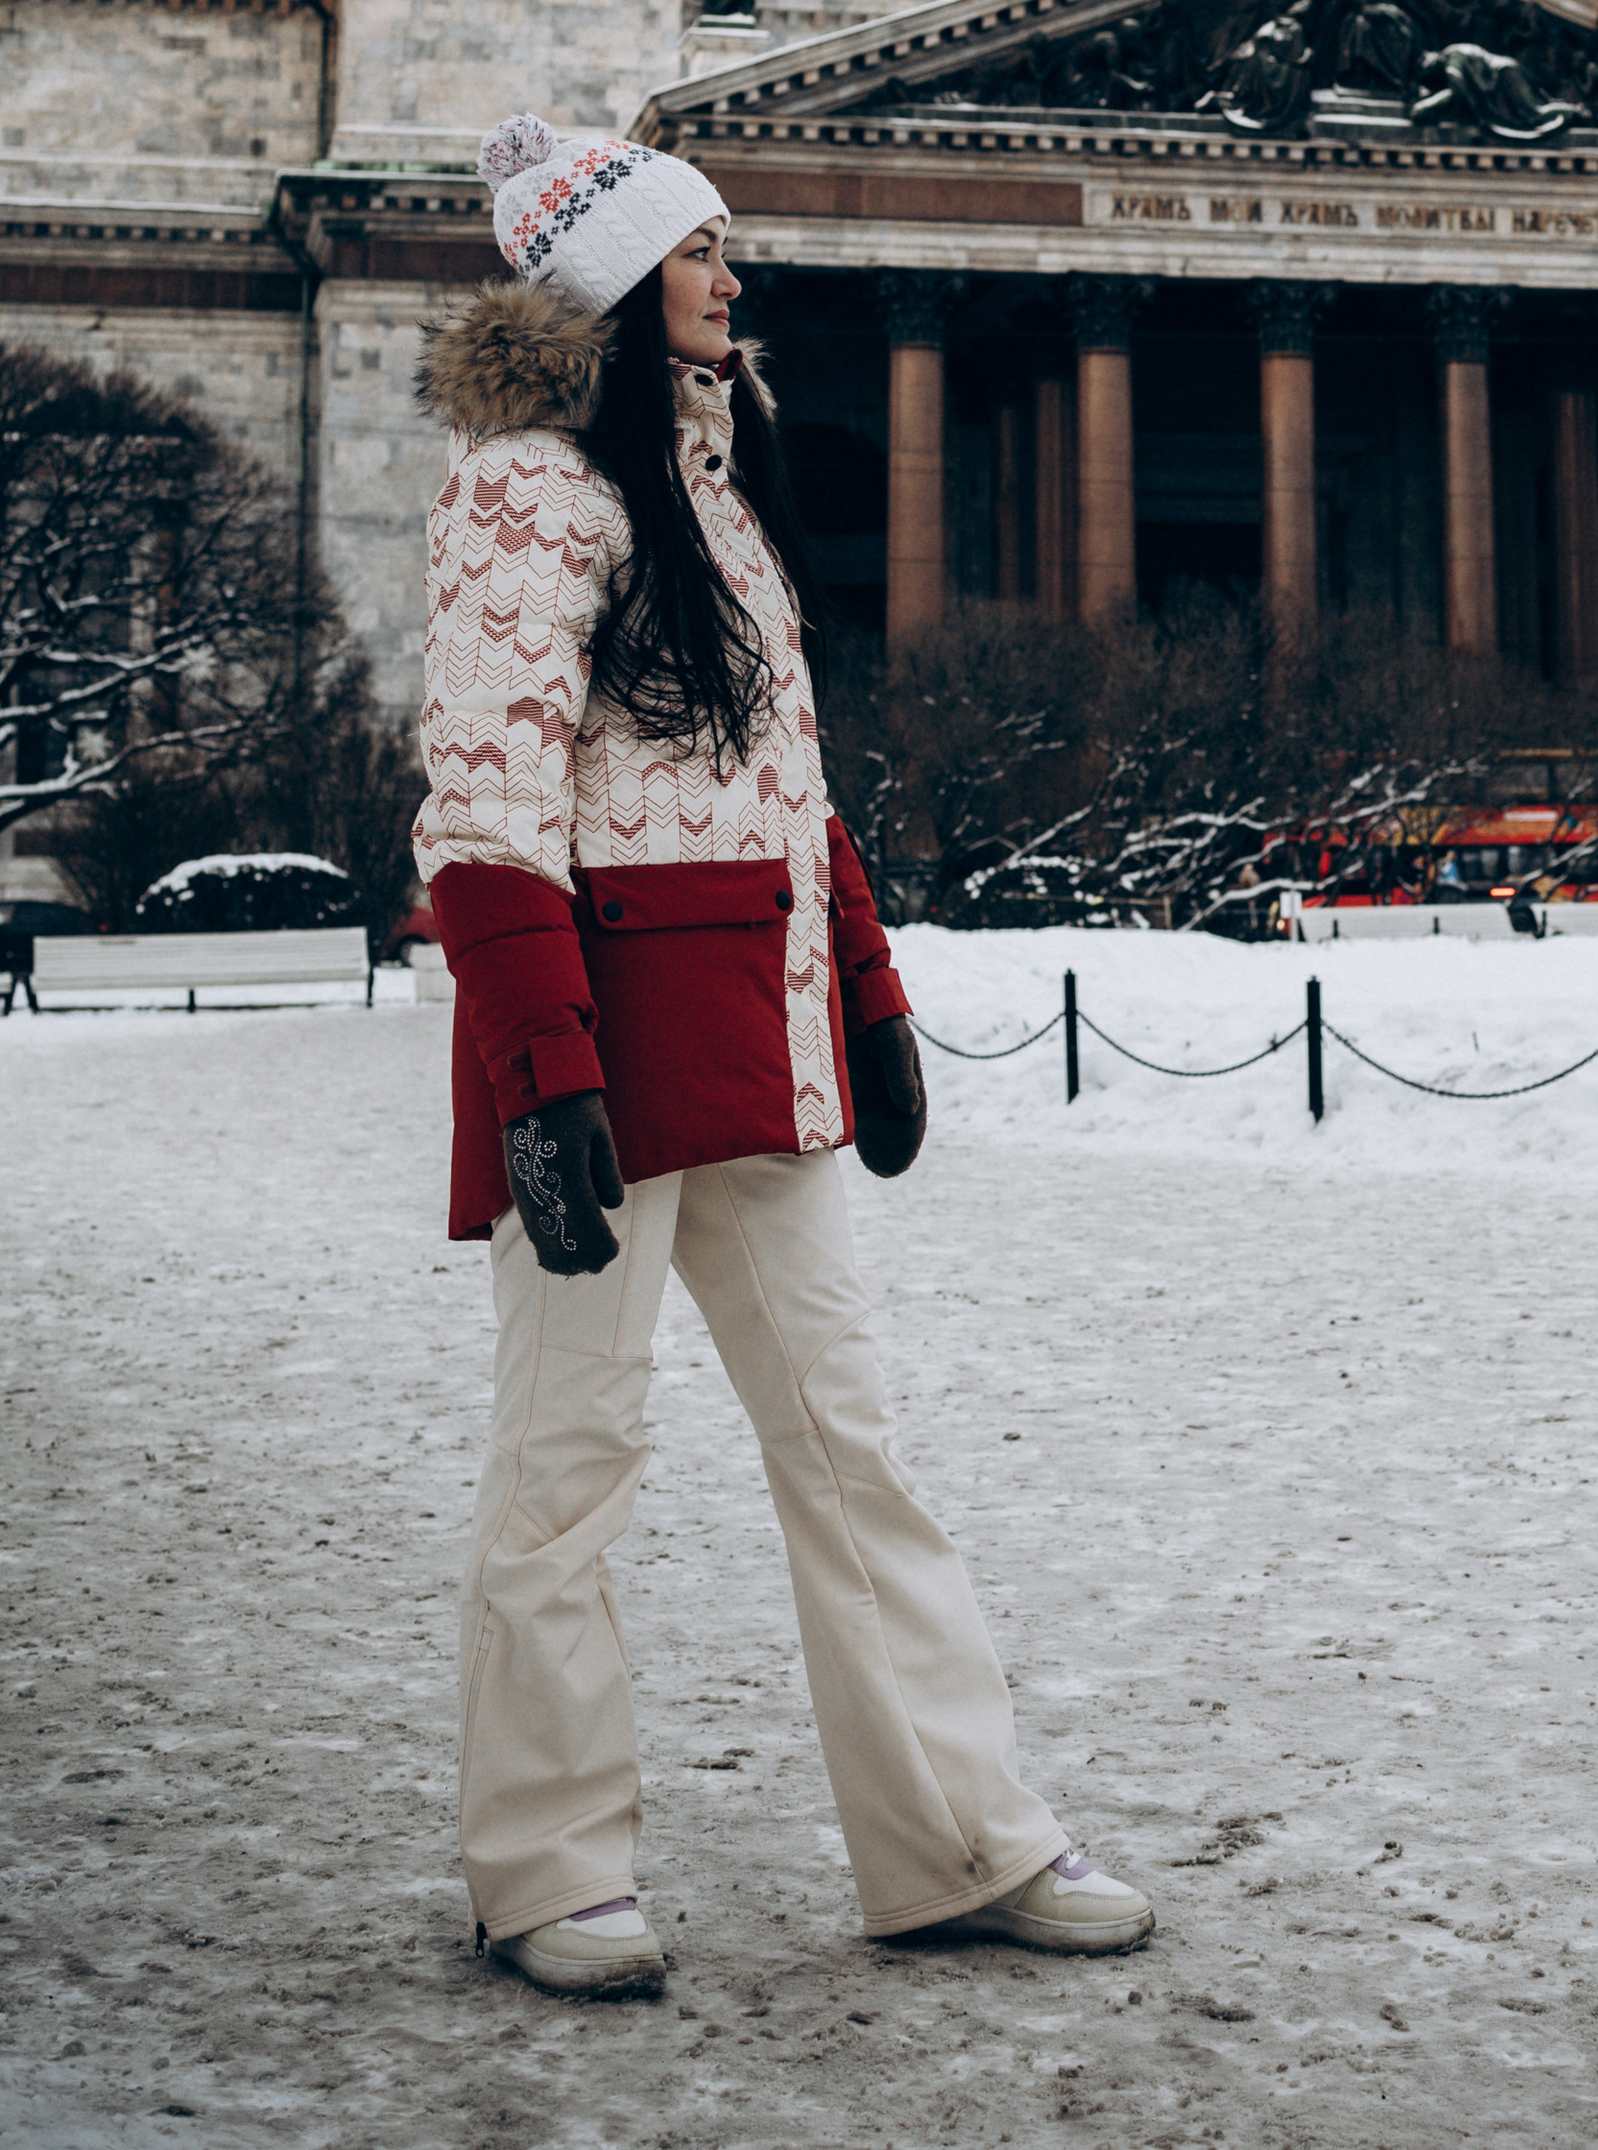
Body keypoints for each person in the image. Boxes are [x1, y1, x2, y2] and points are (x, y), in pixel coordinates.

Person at [416, 113, 1154, 1999]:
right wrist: (544, 1076)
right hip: (600, 1056)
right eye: (697, 252)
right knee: (569, 1464)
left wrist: (875, 1003)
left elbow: (788, 793)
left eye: (726, 249)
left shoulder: (724, 497)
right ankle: (548, 1868)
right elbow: (485, 817)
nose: (732, 278)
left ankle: (954, 1839)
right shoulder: (527, 496)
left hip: (762, 1044)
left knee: (854, 1455)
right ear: (605, 285)